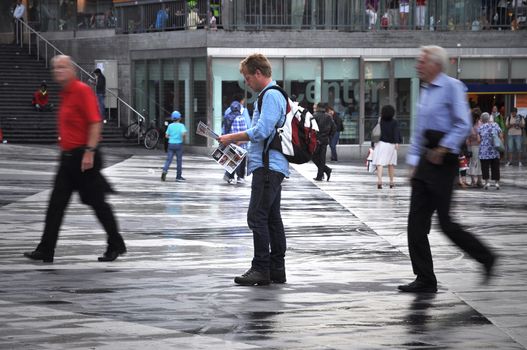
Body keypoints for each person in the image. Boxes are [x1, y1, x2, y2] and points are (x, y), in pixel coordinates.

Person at [399, 46, 496, 293]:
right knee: (415, 224)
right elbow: (419, 131)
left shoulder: (451, 86)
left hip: (444, 161)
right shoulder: (425, 91)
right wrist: (412, 162)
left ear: (435, 64)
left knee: (446, 223)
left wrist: (443, 148)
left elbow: (463, 123)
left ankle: (486, 257)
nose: (417, 65)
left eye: (421, 61)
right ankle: (425, 278)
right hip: (425, 160)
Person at [23, 55, 126, 263]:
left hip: (83, 157)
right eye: (55, 68)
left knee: (97, 203)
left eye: (62, 67)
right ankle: (46, 249)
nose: (58, 71)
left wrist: (89, 151)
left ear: (72, 69)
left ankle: (116, 243)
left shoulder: (81, 90)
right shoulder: (64, 93)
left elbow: (95, 122)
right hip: (68, 158)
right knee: (56, 205)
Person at [217, 53, 288, 286]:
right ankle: (276, 268)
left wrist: (232, 137)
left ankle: (261, 268)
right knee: (271, 218)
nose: (246, 82)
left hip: (267, 167)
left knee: (256, 216)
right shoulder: (274, 95)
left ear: (258, 73)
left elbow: (261, 131)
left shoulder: (269, 95)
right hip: (273, 165)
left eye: (247, 77)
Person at [372, 104, 401, 189]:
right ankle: (391, 182)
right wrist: (396, 142)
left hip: (380, 144)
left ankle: (379, 180)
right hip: (391, 145)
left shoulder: (380, 121)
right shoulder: (394, 122)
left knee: (379, 163)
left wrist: (372, 143)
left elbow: (375, 132)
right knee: (391, 164)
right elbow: (396, 132)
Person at [222, 101, 248, 184]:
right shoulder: (241, 118)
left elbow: (224, 130)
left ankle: (230, 177)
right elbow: (244, 131)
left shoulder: (226, 117)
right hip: (240, 144)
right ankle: (240, 177)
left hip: (230, 143)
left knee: (230, 161)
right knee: (241, 161)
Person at [478, 112, 503, 189]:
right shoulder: (495, 125)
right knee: (495, 166)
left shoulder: (481, 127)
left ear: (482, 119)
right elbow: (501, 136)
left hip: (484, 151)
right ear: (489, 118)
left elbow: (479, 140)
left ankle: (487, 182)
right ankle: (496, 183)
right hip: (495, 150)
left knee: (485, 167)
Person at [161, 111, 187, 182]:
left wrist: (171, 137)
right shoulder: (181, 126)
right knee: (179, 161)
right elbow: (183, 134)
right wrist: (182, 138)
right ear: (179, 118)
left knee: (168, 160)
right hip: (179, 144)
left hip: (171, 144)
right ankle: (178, 176)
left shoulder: (170, 126)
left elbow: (166, 136)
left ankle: (164, 171)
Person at [312, 103, 335, 181]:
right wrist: (329, 136)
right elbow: (334, 128)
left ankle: (324, 172)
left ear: (318, 107)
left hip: (317, 139)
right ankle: (323, 173)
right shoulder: (328, 116)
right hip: (325, 139)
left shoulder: (315, 116)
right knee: (322, 158)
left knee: (314, 157)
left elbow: (311, 128)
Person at [466, 111, 483, 187]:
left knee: (474, 163)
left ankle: (474, 181)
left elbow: (467, 139)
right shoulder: (480, 125)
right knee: (477, 163)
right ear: (477, 118)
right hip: (479, 146)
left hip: (473, 146)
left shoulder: (470, 126)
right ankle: (478, 181)